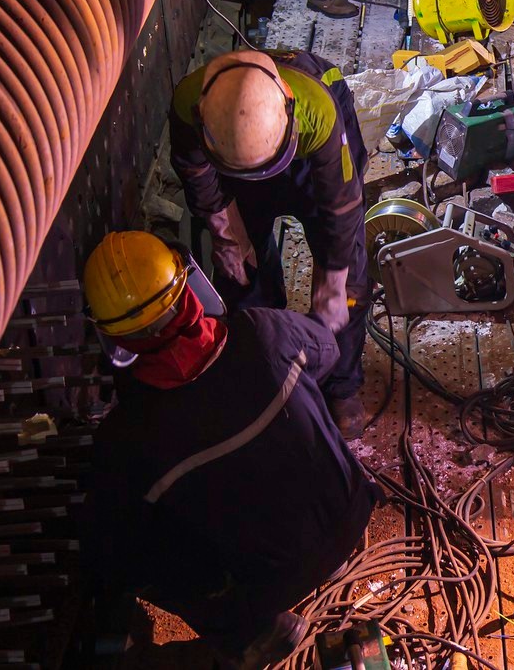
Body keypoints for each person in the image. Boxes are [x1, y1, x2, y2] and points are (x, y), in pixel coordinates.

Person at [82, 231, 373, 668]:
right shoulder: (265, 331)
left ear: (116, 338)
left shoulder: (127, 440)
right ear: (187, 292)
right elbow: (327, 350)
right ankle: (327, 565)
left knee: (137, 556)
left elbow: (112, 544)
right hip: (349, 515)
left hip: (265, 586)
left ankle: (247, 637)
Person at [168, 47, 371, 434]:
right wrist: (226, 232)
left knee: (347, 280)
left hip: (306, 153)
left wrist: (334, 279)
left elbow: (341, 207)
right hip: (234, 164)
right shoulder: (189, 105)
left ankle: (342, 385)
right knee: (240, 271)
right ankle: (266, 367)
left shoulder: (319, 112)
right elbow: (195, 169)